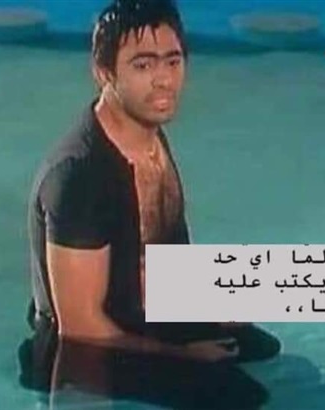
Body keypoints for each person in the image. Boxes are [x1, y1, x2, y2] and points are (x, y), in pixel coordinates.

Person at [24, 0, 281, 366]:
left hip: (143, 310)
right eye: (143, 65)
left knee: (264, 350)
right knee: (244, 392)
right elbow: (80, 329)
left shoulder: (147, 132)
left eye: (173, 62)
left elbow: (153, 256)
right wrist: (182, 356)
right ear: (103, 72)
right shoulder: (78, 176)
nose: (164, 80)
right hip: (85, 354)